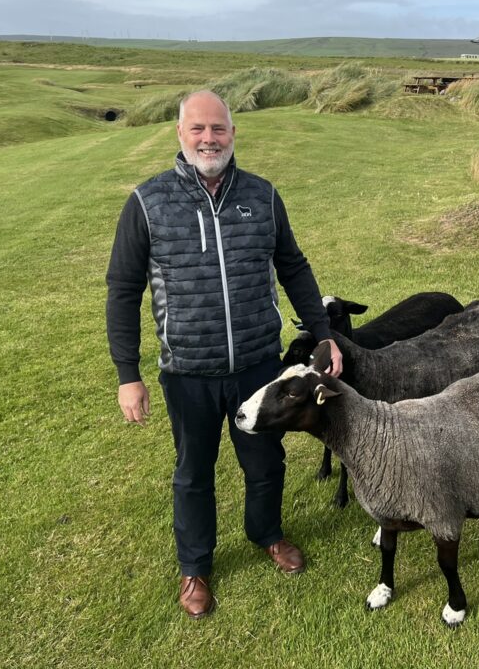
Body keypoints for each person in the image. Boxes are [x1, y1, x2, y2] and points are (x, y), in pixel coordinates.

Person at [105, 90, 343, 619]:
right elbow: (122, 288)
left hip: (259, 364)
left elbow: (294, 266)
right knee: (194, 472)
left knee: (265, 462)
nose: (209, 139)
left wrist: (324, 333)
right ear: (181, 134)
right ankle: (196, 566)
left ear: (233, 134)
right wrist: (128, 373)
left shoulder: (262, 196)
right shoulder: (148, 201)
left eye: (219, 129)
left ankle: (268, 534)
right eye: (198, 130)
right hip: (187, 370)